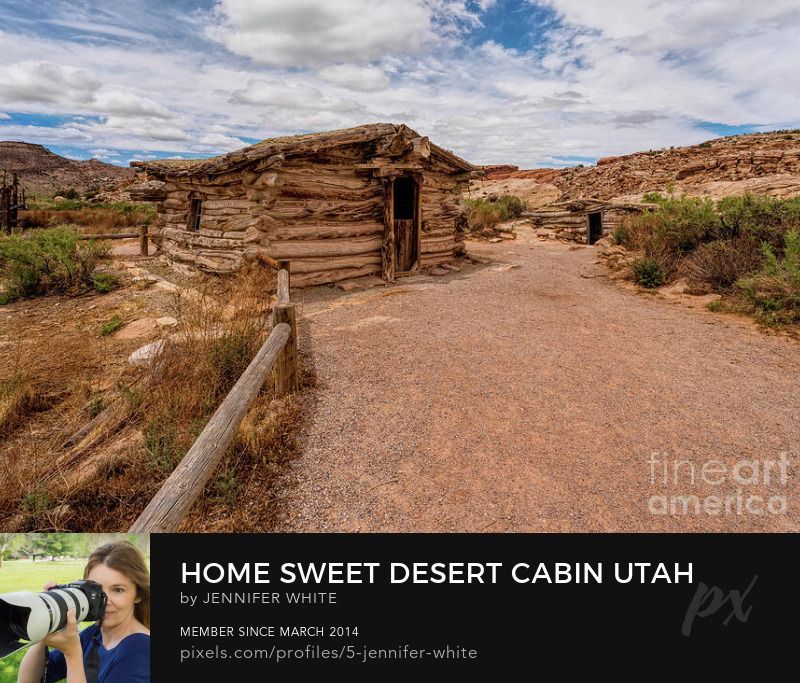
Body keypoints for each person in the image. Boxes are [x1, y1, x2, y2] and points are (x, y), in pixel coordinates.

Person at [17, 541, 150, 683]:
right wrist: (47, 623)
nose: (104, 601)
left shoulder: (141, 649)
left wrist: (72, 654)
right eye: (96, 590)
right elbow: (29, 680)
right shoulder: (94, 635)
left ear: (138, 594)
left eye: (118, 590)